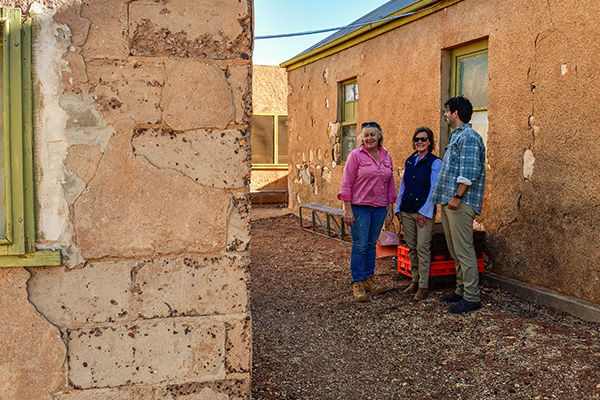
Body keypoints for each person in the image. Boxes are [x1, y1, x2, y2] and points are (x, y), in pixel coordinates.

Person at [431, 96, 486, 314]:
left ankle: (472, 297)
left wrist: (458, 196)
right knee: (456, 250)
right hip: (450, 200)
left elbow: (470, 171)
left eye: (447, 111)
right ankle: (461, 290)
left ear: (455, 113)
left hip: (460, 202)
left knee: (464, 251)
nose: (445, 115)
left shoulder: (470, 137)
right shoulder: (458, 136)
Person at [338, 121, 397, 302]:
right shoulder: (355, 156)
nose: (369, 138)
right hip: (360, 207)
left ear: (379, 135)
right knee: (360, 245)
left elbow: (390, 184)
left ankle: (369, 279)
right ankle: (357, 283)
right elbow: (346, 183)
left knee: (372, 245)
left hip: (379, 208)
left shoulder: (386, 156)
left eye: (372, 134)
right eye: (365, 135)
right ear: (362, 138)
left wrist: (389, 208)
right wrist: (347, 210)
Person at [395, 127, 442, 301]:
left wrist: (424, 212)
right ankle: (415, 280)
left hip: (423, 213)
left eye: (423, 139)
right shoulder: (410, 161)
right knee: (412, 247)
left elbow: (434, 190)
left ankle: (423, 285)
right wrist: (398, 208)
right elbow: (403, 186)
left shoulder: (435, 162)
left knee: (423, 247)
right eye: (417, 139)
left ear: (429, 141)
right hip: (407, 211)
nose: (419, 142)